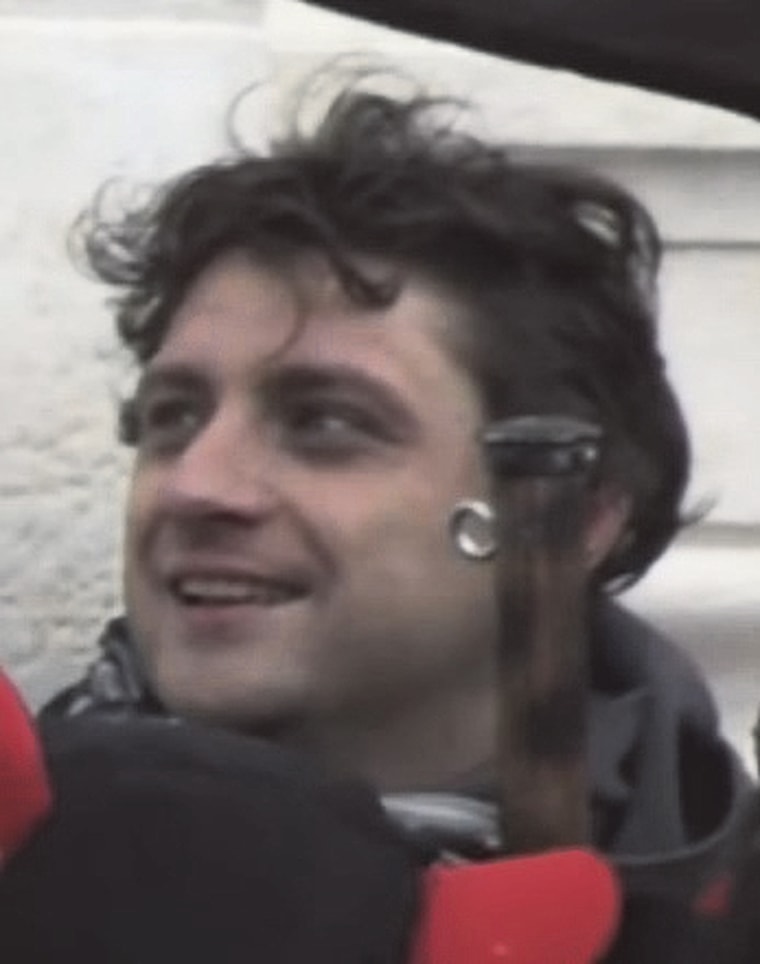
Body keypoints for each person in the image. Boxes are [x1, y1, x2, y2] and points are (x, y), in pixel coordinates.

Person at [36, 78, 749, 958]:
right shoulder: (28, 863)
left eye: (326, 424)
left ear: (574, 518)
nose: (196, 485)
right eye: (173, 417)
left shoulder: (724, 921)